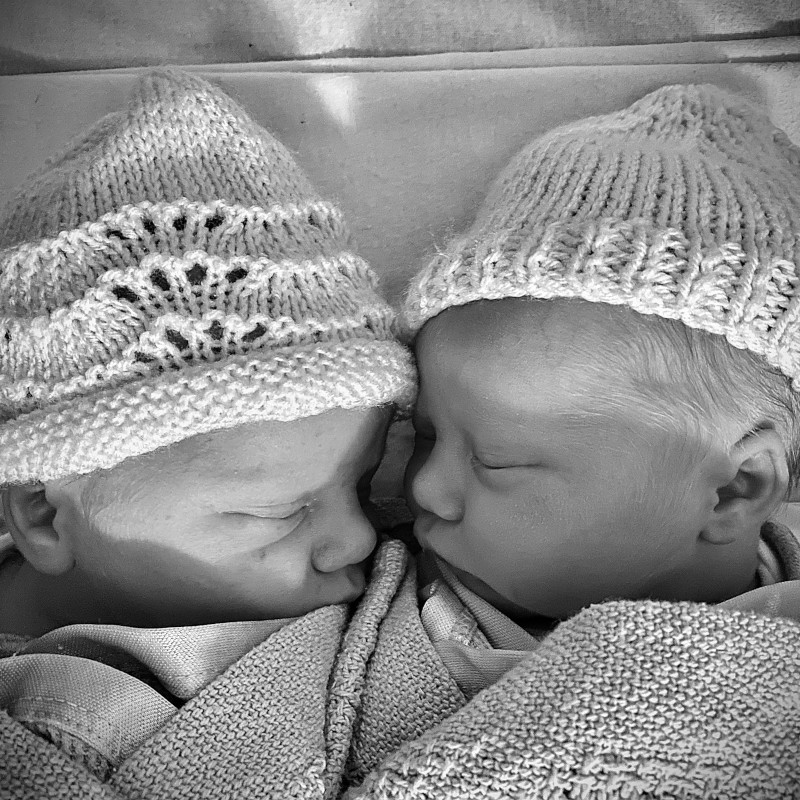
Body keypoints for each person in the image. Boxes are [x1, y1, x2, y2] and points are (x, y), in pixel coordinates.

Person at [348, 83, 800, 797]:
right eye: (423, 434)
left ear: (734, 489)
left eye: (497, 460)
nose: (424, 487)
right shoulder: (365, 616)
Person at [0, 68, 419, 794]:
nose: (359, 538)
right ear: (43, 513)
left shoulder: (390, 619)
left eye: (362, 483)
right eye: (276, 512)